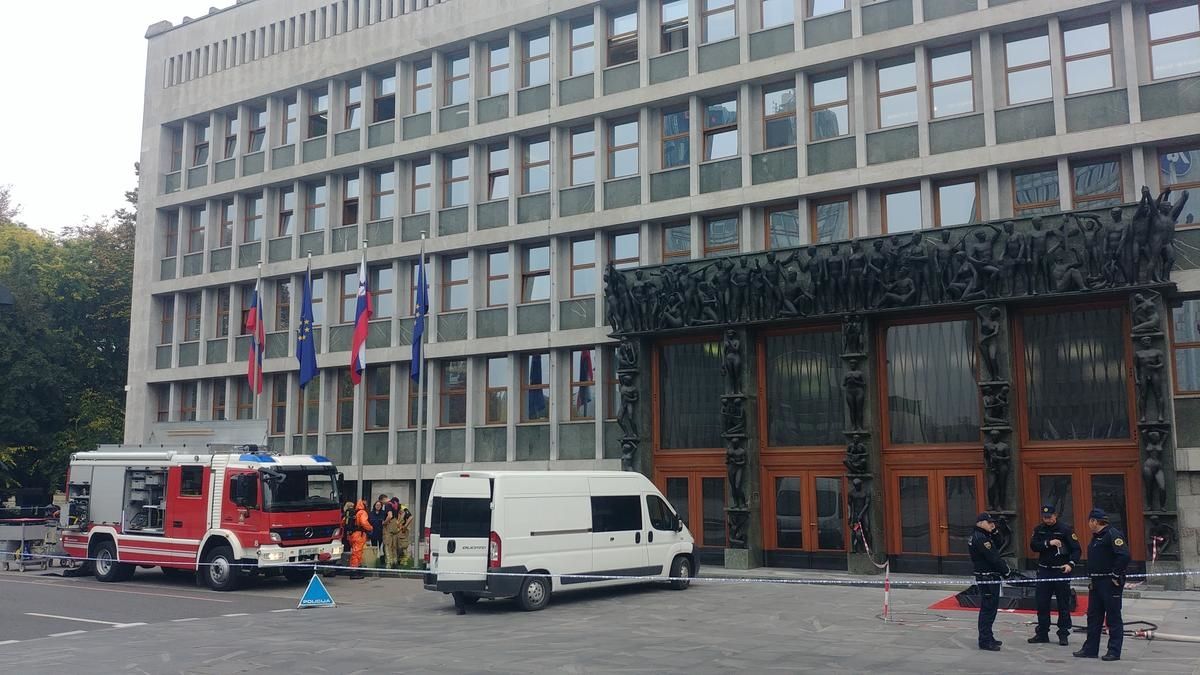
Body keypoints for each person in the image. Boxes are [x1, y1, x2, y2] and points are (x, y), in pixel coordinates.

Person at [1075, 507, 1130, 662]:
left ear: (1094, 521)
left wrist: (1115, 574)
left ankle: (1114, 651)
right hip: (1096, 582)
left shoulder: (1112, 534)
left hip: (1109, 582)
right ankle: (1090, 649)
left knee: (1113, 617)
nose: (1088, 524)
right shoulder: (1097, 537)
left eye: (1089, 521)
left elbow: (1124, 555)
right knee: (1093, 616)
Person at [1028, 504, 1081, 646]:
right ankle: (1042, 633)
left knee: (1063, 603)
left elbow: (1076, 549)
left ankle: (1063, 633)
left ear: (1055, 515)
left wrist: (1071, 564)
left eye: (1050, 517)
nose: (1047, 520)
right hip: (1044, 570)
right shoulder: (1039, 529)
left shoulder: (1065, 530)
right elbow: (1033, 546)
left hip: (1060, 571)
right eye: (1045, 517)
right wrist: (1048, 543)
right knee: (1042, 603)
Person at [968, 512, 1011, 651]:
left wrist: (995, 531)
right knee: (988, 609)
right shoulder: (980, 538)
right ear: (980, 523)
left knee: (991, 608)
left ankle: (988, 636)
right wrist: (1006, 571)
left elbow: (998, 544)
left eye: (992, 522)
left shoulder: (984, 535)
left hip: (989, 576)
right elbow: (993, 557)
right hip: (987, 577)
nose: (991, 524)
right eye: (989, 522)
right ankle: (985, 640)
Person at [348, 499, 373, 579]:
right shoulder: (362, 512)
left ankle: (356, 569)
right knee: (357, 553)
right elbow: (364, 522)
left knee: (356, 552)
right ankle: (354, 571)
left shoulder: (354, 512)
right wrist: (370, 528)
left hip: (352, 535)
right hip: (359, 535)